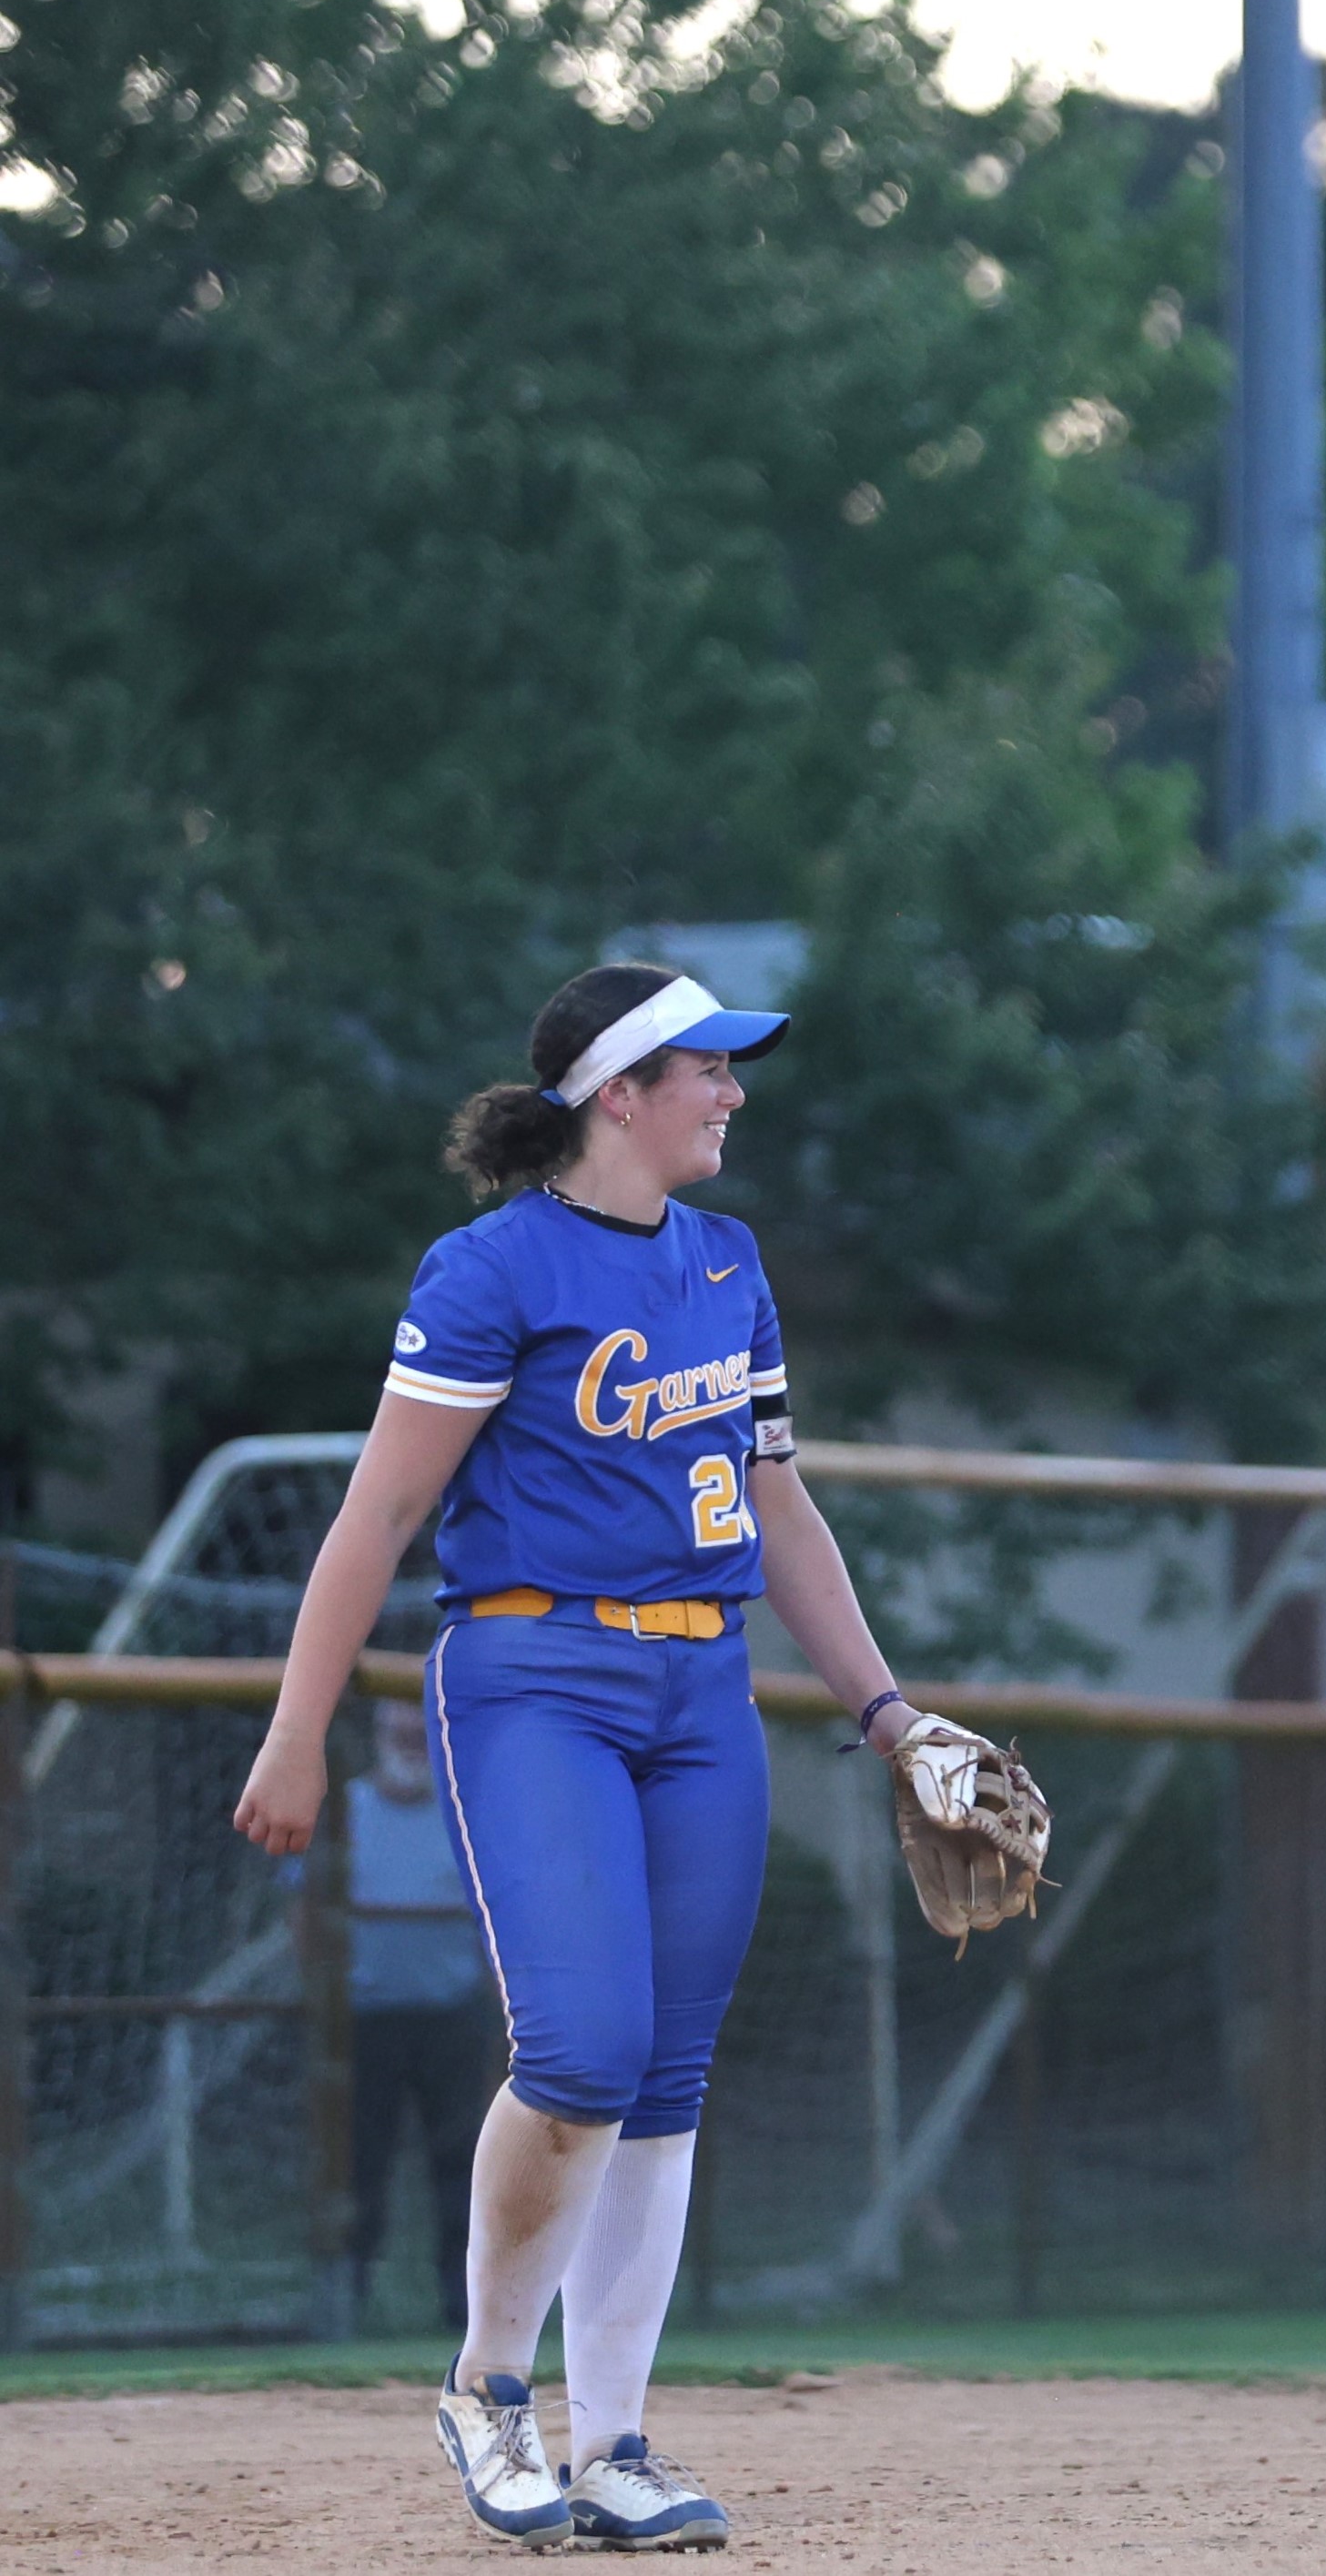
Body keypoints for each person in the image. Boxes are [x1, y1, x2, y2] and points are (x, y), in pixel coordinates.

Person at [230, 962, 992, 2552]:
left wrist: (888, 1713)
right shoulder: (491, 1267)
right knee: (580, 2050)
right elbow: (380, 1512)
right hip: (535, 1678)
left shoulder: (726, 1260)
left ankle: (614, 2442)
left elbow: (778, 1507)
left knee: (661, 2080)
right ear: (617, 1095)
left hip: (703, 1692)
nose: (732, 1092)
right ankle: (489, 2389)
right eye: (705, 1067)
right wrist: (298, 1730)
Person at [342, 1693, 499, 2334]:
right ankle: (342, 2305)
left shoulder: (467, 1815)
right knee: (357, 2166)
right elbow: (306, 1914)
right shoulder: (345, 1810)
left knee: (464, 2166)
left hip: (453, 2019)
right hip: (362, 2022)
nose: (409, 1738)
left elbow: (495, 1919)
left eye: (419, 1729)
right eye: (398, 1727)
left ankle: (466, 2314)